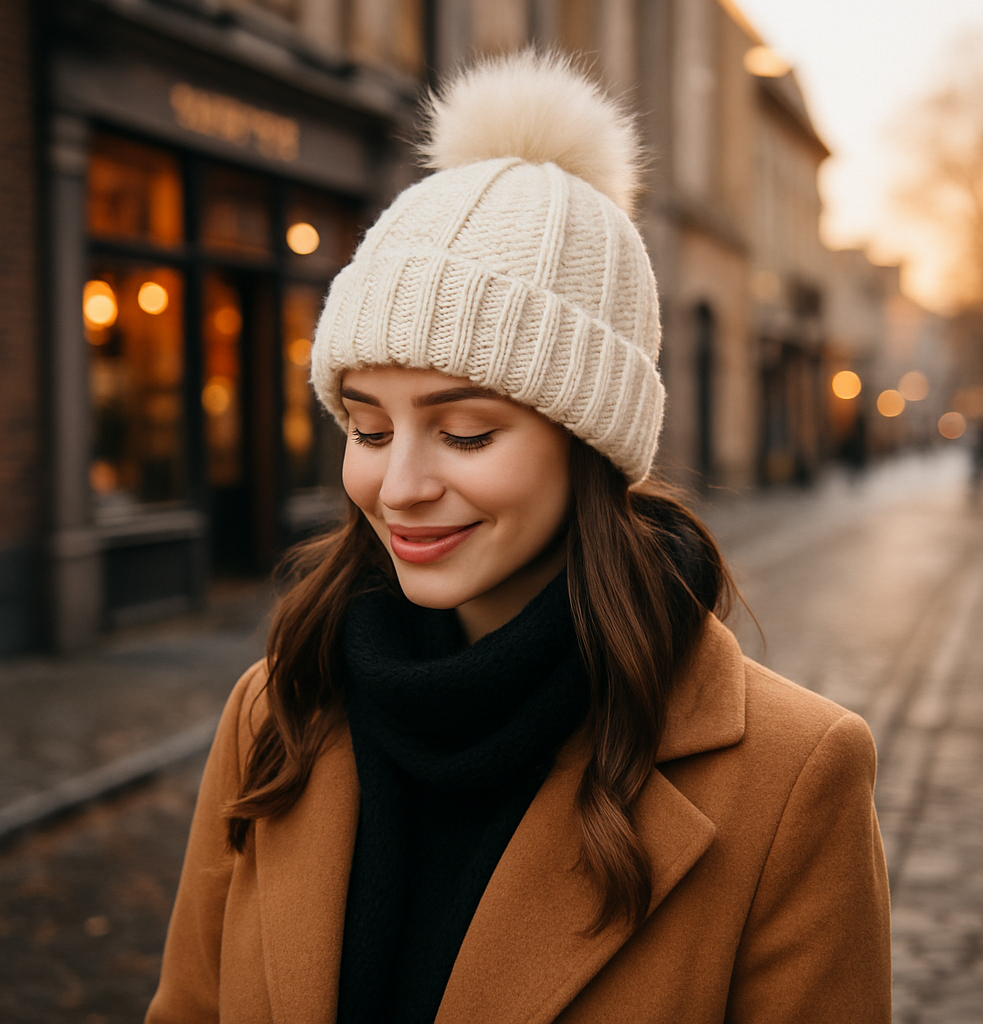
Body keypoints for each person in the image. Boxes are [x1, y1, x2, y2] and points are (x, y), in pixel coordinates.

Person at [146, 51, 891, 1024]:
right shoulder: (279, 709)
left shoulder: (794, 777)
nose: (398, 486)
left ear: (588, 443)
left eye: (465, 432)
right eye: (366, 428)